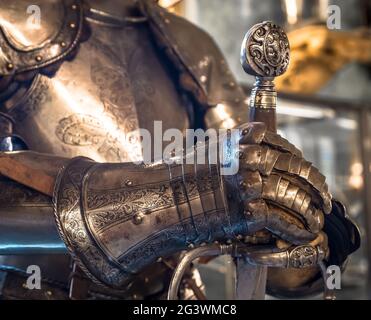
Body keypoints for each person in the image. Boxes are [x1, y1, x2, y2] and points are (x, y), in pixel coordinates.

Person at [0, 0, 359, 300]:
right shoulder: (10, 21)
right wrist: (188, 199)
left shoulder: (188, 44)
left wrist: (294, 234)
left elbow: (249, 175)